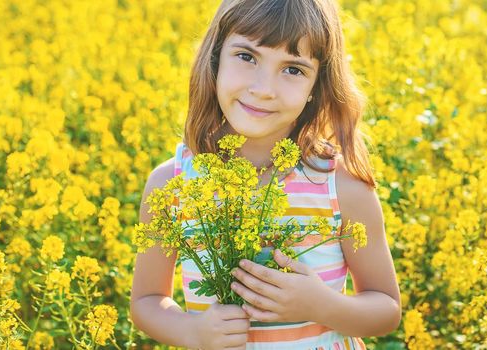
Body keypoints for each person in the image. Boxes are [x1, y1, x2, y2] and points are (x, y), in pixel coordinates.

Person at [129, 0, 401, 348]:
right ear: (214, 59)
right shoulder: (171, 184)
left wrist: (320, 305)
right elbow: (147, 301)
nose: (264, 88)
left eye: (293, 69)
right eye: (246, 57)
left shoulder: (341, 185)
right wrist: (191, 332)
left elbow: (386, 308)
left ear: (316, 86)